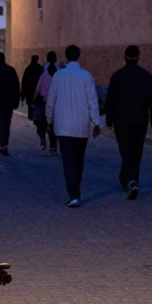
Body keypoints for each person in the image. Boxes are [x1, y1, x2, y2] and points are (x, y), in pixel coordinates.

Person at [45, 45, 101, 208]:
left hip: (63, 126)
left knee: (68, 161)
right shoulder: (87, 76)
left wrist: (49, 119)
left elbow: (51, 100)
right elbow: (93, 101)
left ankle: (74, 193)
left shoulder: (58, 76)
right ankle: (75, 190)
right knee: (78, 160)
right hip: (81, 126)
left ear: (66, 57)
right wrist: (96, 122)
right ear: (78, 56)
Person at [105, 46, 152, 199]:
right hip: (140, 119)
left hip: (121, 119)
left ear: (125, 57)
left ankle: (131, 181)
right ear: (138, 57)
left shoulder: (117, 76)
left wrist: (108, 120)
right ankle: (128, 179)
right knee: (136, 150)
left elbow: (111, 100)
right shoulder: (146, 76)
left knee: (125, 150)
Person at [33, 52, 59, 153]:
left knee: (41, 123)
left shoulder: (43, 72)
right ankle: (53, 146)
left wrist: (34, 99)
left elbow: (38, 88)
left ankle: (43, 139)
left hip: (44, 102)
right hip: (56, 102)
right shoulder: (61, 71)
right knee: (53, 125)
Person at [20, 54, 42, 121]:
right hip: (37, 90)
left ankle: (31, 116)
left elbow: (24, 82)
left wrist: (23, 95)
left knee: (30, 104)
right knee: (37, 103)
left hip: (30, 90)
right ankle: (36, 116)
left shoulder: (28, 68)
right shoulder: (40, 68)